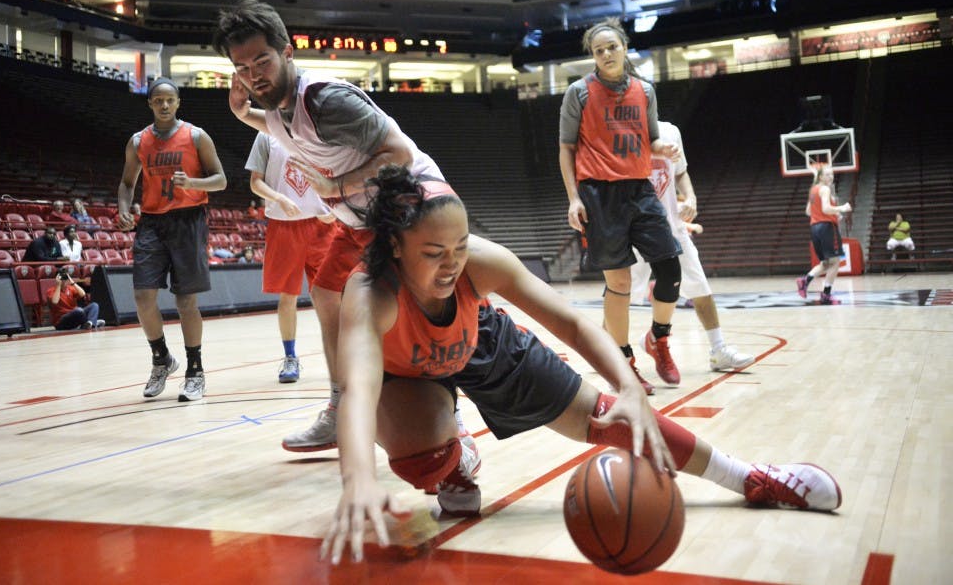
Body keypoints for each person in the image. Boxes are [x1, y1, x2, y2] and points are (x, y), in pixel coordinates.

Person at [320, 166, 842, 565]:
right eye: (434, 252)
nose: (452, 261)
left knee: (609, 416)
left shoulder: (479, 262)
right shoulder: (370, 293)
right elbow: (358, 391)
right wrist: (357, 479)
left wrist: (626, 382)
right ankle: (455, 461)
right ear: (395, 245)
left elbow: (571, 321)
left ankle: (750, 476)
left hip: (482, 343)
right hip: (404, 376)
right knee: (420, 459)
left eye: (459, 246)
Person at [213, 0, 454, 451]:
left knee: (418, 318)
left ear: (287, 52)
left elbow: (399, 154)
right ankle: (341, 408)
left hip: (413, 208)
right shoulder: (279, 109)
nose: (253, 74)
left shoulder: (326, 99)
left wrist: (335, 185)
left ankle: (445, 409)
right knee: (326, 294)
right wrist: (242, 115)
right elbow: (280, 129)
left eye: (261, 60)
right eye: (241, 67)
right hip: (362, 214)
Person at [558, 17, 683, 395]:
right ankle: (623, 362)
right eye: (599, 50)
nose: (607, 54)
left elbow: (650, 138)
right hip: (599, 194)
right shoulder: (579, 93)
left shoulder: (644, 91)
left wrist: (661, 148)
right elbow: (566, 148)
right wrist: (574, 197)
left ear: (624, 47)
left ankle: (658, 338)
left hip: (639, 189)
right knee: (620, 282)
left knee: (670, 268)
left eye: (612, 47)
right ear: (592, 56)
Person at [117, 77, 227, 402]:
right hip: (152, 222)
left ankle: (195, 371)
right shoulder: (138, 141)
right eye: (158, 100)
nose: (164, 105)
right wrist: (124, 208)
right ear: (150, 104)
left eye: (170, 100)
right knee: (142, 296)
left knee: (185, 302)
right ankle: (161, 359)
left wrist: (192, 182)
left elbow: (221, 180)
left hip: (188, 221)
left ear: (178, 103)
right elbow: (126, 183)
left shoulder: (196, 136)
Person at [629, 121, 754, 375]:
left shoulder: (671, 131)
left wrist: (692, 198)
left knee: (701, 288)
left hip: (672, 227)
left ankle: (718, 350)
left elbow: (680, 172)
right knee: (619, 294)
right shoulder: (621, 131)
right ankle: (605, 353)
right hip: (634, 227)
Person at [245, 131, 337, 383]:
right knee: (288, 297)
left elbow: (339, 175)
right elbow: (256, 182)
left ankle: (340, 356)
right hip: (285, 225)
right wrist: (278, 197)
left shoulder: (320, 131)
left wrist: (334, 207)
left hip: (322, 225)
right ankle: (290, 357)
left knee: (330, 297)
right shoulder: (266, 135)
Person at [796, 165, 851, 305]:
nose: (831, 177)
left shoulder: (813, 191)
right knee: (835, 262)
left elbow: (809, 212)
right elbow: (826, 209)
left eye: (832, 174)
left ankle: (805, 280)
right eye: (827, 174)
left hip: (815, 228)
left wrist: (834, 213)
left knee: (826, 263)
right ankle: (826, 294)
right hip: (827, 228)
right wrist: (842, 208)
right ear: (820, 177)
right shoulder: (825, 189)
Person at [48, 266, 105, 330]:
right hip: (61, 321)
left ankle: (90, 323)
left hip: (75, 315)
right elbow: (55, 301)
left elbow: (83, 294)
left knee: (94, 305)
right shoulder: (51, 290)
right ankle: (92, 322)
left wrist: (72, 282)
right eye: (62, 278)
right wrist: (58, 284)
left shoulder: (70, 288)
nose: (64, 280)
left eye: (65, 278)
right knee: (79, 311)